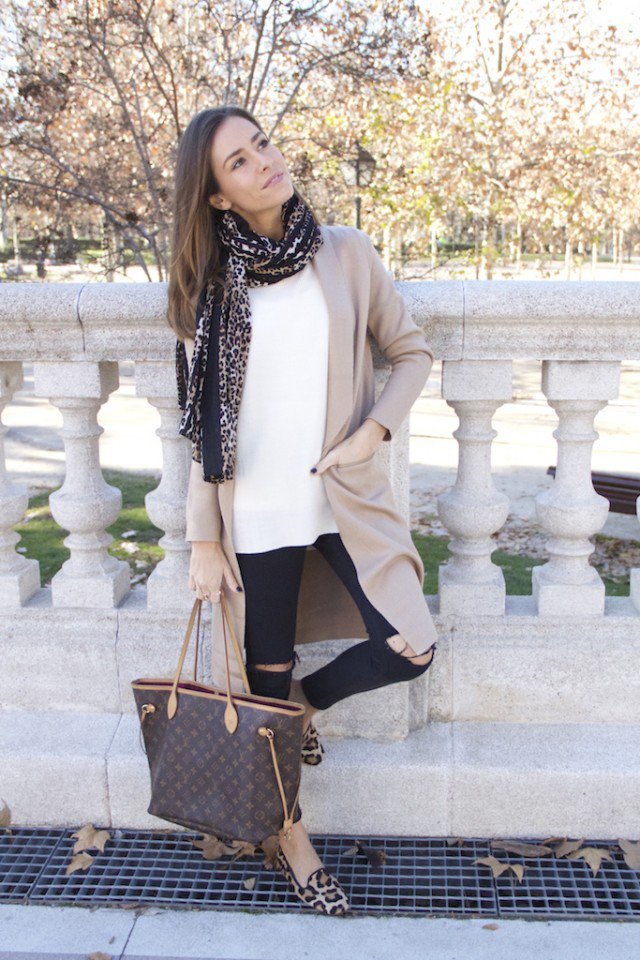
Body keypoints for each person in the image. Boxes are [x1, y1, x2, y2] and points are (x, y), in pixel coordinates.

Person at [168, 105, 438, 916]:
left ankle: (304, 708)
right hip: (253, 517)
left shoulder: (344, 253)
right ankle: (292, 839)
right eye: (240, 163)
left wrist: (371, 433)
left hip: (340, 499)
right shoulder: (208, 289)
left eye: (263, 145)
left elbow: (412, 351)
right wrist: (203, 536)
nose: (265, 163)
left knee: (409, 645)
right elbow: (199, 427)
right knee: (260, 684)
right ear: (218, 197)